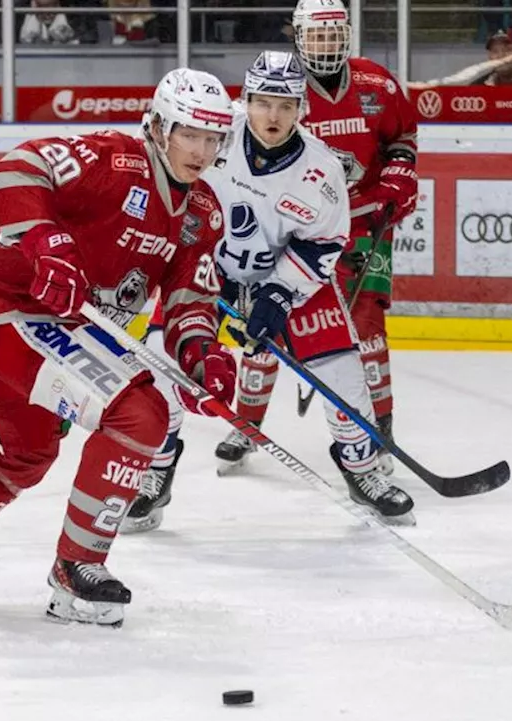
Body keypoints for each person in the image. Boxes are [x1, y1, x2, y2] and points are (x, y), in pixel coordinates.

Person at [0, 67, 237, 628]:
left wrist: (202, 354)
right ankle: (75, 571)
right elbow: (14, 167)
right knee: (140, 416)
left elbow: (187, 304)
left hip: (50, 331)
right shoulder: (112, 159)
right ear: (158, 126)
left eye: (212, 138)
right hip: (13, 310)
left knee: (22, 457)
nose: (201, 150)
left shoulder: (202, 214)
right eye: (189, 134)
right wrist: (46, 242)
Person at [121, 50, 414, 535]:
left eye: (285, 104)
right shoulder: (215, 137)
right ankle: (156, 471)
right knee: (159, 366)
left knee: (342, 371)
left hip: (290, 277)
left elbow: (324, 241)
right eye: (261, 102)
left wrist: (279, 293)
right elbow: (162, 161)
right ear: (245, 101)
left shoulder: (321, 170)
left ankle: (362, 471)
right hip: (208, 271)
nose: (272, 116)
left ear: (302, 108)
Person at [217, 0, 418, 474]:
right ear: (299, 37)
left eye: (333, 36)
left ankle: (377, 431)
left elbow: (402, 138)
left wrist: (400, 175)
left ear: (346, 36)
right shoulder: (282, 87)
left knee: (366, 326)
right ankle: (246, 423)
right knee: (264, 323)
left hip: (366, 222)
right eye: (316, 36)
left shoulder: (377, 83)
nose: (325, 46)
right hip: (291, 227)